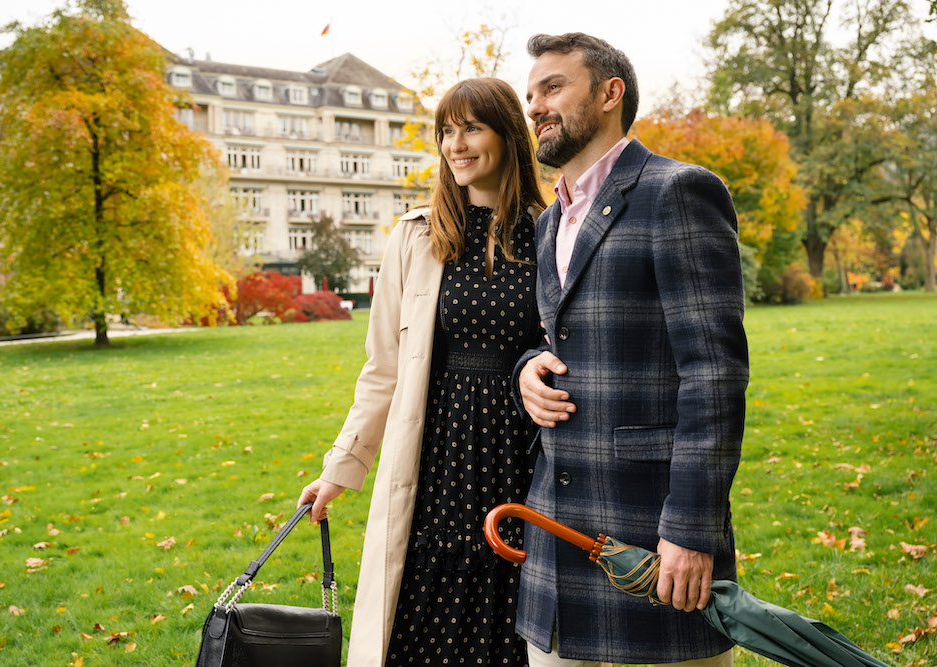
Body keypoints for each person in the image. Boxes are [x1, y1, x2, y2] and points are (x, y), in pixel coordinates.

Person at [514, 33, 750, 667]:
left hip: (654, 543)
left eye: (553, 87)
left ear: (610, 93)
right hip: (558, 545)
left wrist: (691, 532)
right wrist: (527, 370)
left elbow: (715, 375)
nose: (534, 104)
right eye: (531, 91)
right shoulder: (547, 222)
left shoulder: (677, 192)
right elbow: (557, 337)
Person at [298, 77, 548, 666]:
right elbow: (382, 367)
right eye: (446, 132)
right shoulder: (416, 236)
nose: (455, 145)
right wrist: (340, 468)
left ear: (509, 135)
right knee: (427, 623)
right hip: (439, 458)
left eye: (471, 128)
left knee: (518, 627)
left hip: (526, 457)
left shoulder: (554, 231)